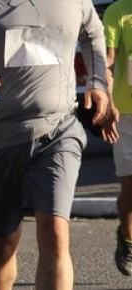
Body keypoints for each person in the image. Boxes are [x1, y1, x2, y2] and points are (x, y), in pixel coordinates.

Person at [0, 0, 114, 289]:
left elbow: (93, 33)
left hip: (58, 128)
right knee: (2, 242)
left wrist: (97, 81)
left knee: (55, 232)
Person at [103, 0, 132, 276]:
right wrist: (108, 101)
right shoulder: (118, 11)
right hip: (127, 112)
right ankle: (127, 236)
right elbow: (109, 61)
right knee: (131, 185)